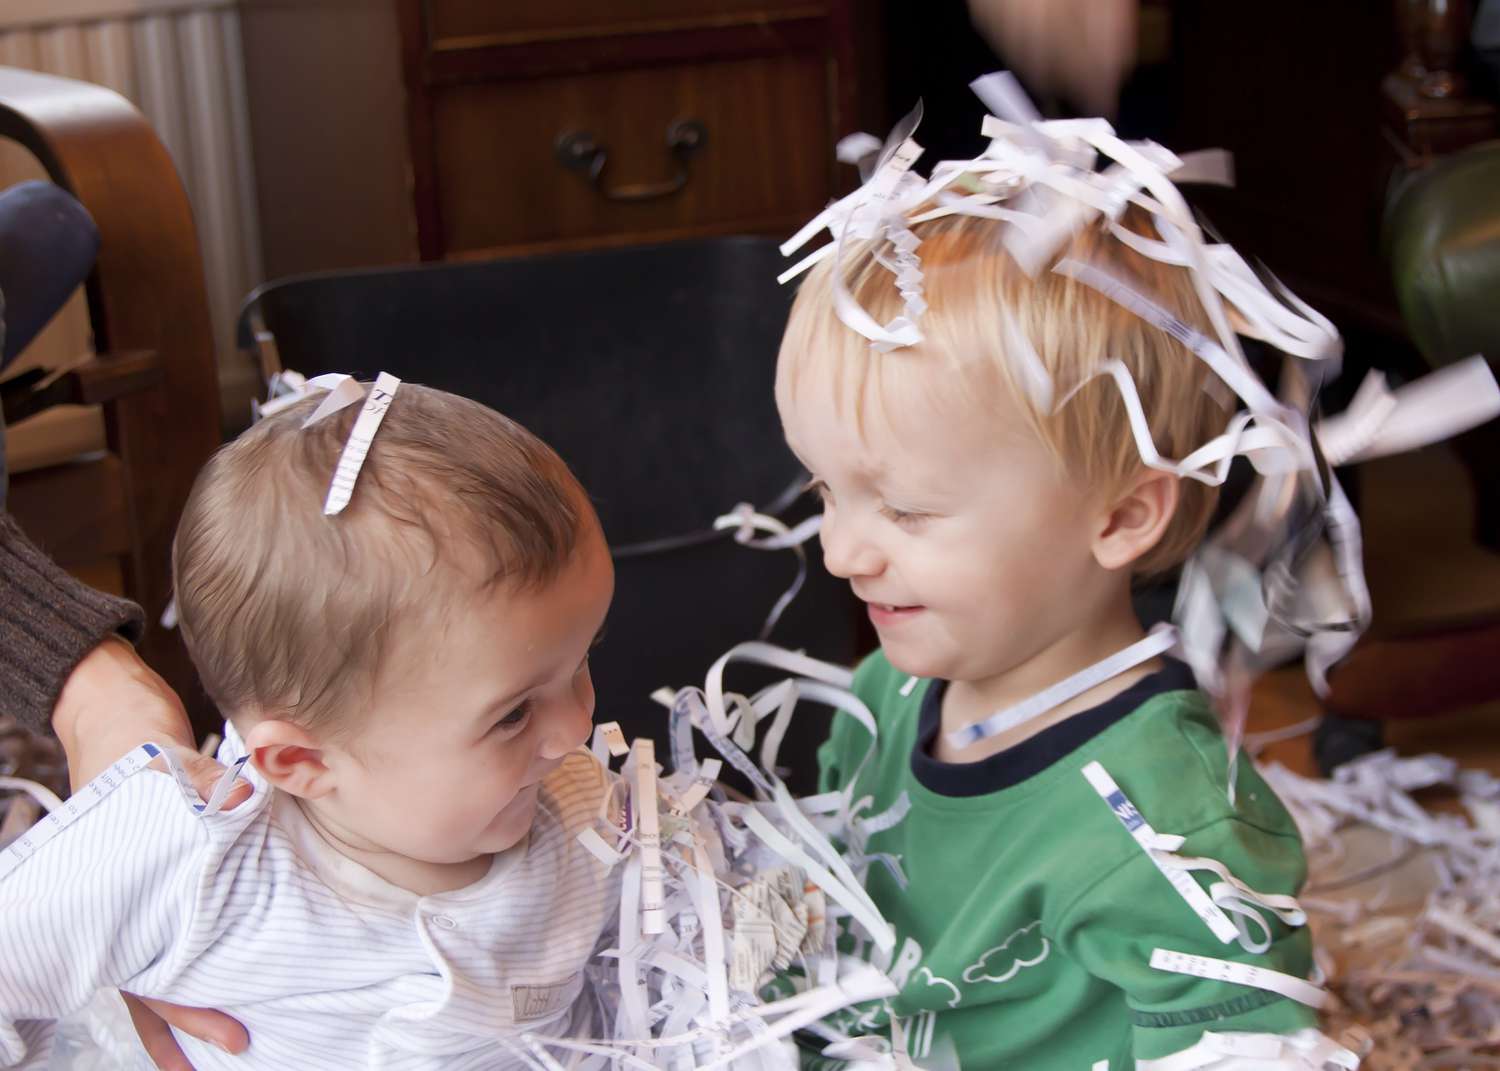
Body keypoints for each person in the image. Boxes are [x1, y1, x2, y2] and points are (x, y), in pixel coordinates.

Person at [775, 162, 1350, 1064]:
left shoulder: (1165, 819)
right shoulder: (882, 694)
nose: (841, 552)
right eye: (824, 489)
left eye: (907, 510)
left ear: (1120, 516)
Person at [0, 380, 618, 1069]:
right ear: (302, 762)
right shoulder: (194, 868)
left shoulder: (583, 814)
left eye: (583, 659)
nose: (576, 729)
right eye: (512, 714)